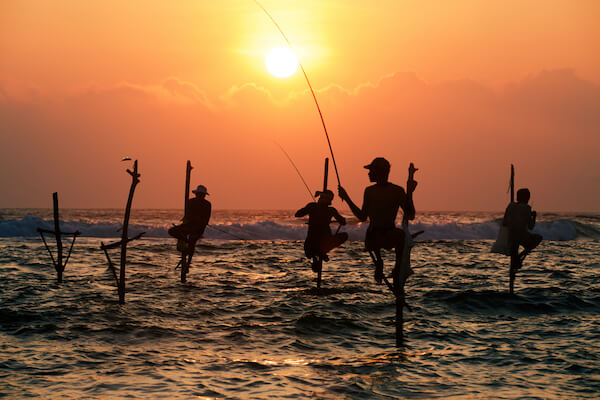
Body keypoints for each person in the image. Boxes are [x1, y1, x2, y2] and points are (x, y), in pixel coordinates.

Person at [338, 157, 416, 287]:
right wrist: (346, 198)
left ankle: (394, 267)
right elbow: (410, 215)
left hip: (378, 237)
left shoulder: (386, 191)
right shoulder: (389, 190)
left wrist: (409, 193)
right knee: (398, 235)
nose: (369, 174)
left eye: (371, 170)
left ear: (379, 172)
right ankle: (386, 264)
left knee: (399, 235)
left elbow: (362, 217)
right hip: (375, 237)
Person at [295, 189, 348, 273]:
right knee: (344, 236)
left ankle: (321, 253)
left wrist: (309, 208)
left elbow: (298, 214)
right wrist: (309, 208)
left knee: (315, 251)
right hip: (319, 245)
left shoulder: (324, 209)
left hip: (314, 245)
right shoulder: (328, 210)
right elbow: (343, 222)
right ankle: (321, 253)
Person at [503, 188, 542, 293]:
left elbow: (505, 222)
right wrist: (533, 216)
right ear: (526, 198)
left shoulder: (510, 206)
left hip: (510, 238)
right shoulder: (527, 208)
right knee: (538, 238)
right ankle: (520, 257)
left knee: (514, 259)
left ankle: (517, 260)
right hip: (522, 237)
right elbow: (531, 227)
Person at [168, 184, 211, 254]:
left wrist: (200, 221)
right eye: (199, 194)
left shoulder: (207, 204)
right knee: (171, 231)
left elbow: (206, 219)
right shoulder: (191, 201)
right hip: (188, 226)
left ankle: (189, 254)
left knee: (193, 239)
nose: (200, 196)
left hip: (199, 228)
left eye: (202, 195)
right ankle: (186, 241)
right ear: (196, 194)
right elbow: (188, 215)